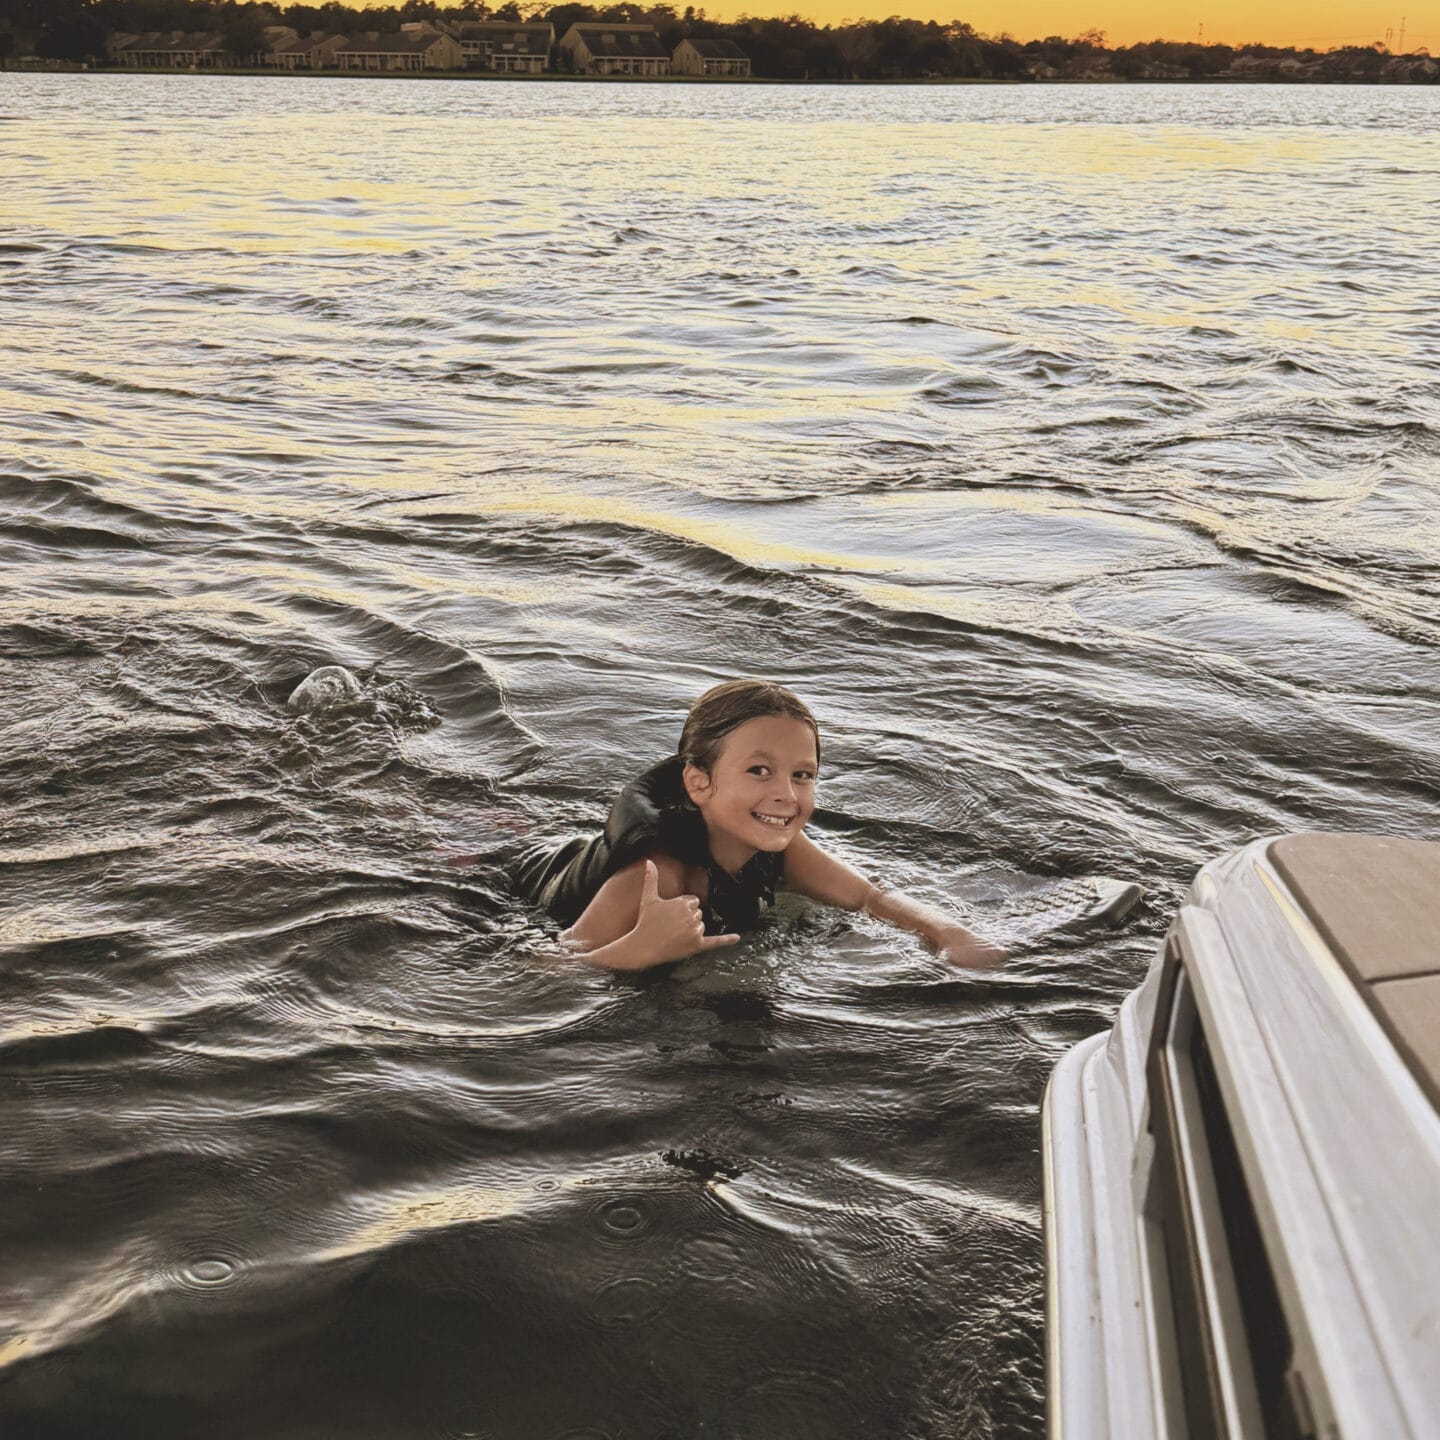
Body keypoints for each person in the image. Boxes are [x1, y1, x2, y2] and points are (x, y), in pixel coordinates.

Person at [516, 678, 1003, 973]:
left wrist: (951, 931)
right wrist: (636, 951)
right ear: (698, 782)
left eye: (802, 775)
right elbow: (540, 972)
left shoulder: (782, 845)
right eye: (759, 771)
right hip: (533, 875)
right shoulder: (655, 877)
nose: (786, 796)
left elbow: (870, 898)